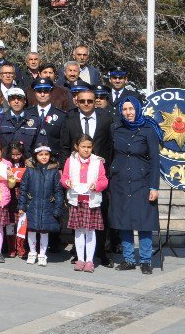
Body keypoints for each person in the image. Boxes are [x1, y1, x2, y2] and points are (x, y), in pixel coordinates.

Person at [109, 95, 161, 275]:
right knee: (124, 221)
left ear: (138, 109)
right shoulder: (116, 128)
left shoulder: (148, 130)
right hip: (120, 181)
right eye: (125, 109)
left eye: (131, 109)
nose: (128, 113)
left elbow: (155, 160)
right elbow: (110, 153)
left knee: (144, 222)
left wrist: (154, 186)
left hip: (142, 181)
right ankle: (129, 258)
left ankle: (146, 260)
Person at [62, 134, 108, 272]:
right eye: (83, 147)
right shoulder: (70, 160)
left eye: (89, 147)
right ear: (77, 147)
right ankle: (80, 259)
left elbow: (103, 180)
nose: (86, 150)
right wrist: (66, 182)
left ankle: (89, 260)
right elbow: (64, 177)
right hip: (76, 201)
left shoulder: (97, 161)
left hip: (91, 201)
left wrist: (97, 185)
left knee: (90, 232)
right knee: (79, 231)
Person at [18, 144, 64, 267]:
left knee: (44, 232)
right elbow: (23, 189)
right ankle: (32, 253)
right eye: (41, 154)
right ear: (35, 155)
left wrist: (58, 208)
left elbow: (58, 191)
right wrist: (22, 206)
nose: (44, 157)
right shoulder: (30, 170)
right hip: (32, 206)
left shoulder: (54, 171)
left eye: (46, 154)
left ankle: (43, 254)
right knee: (32, 230)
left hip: (48, 206)